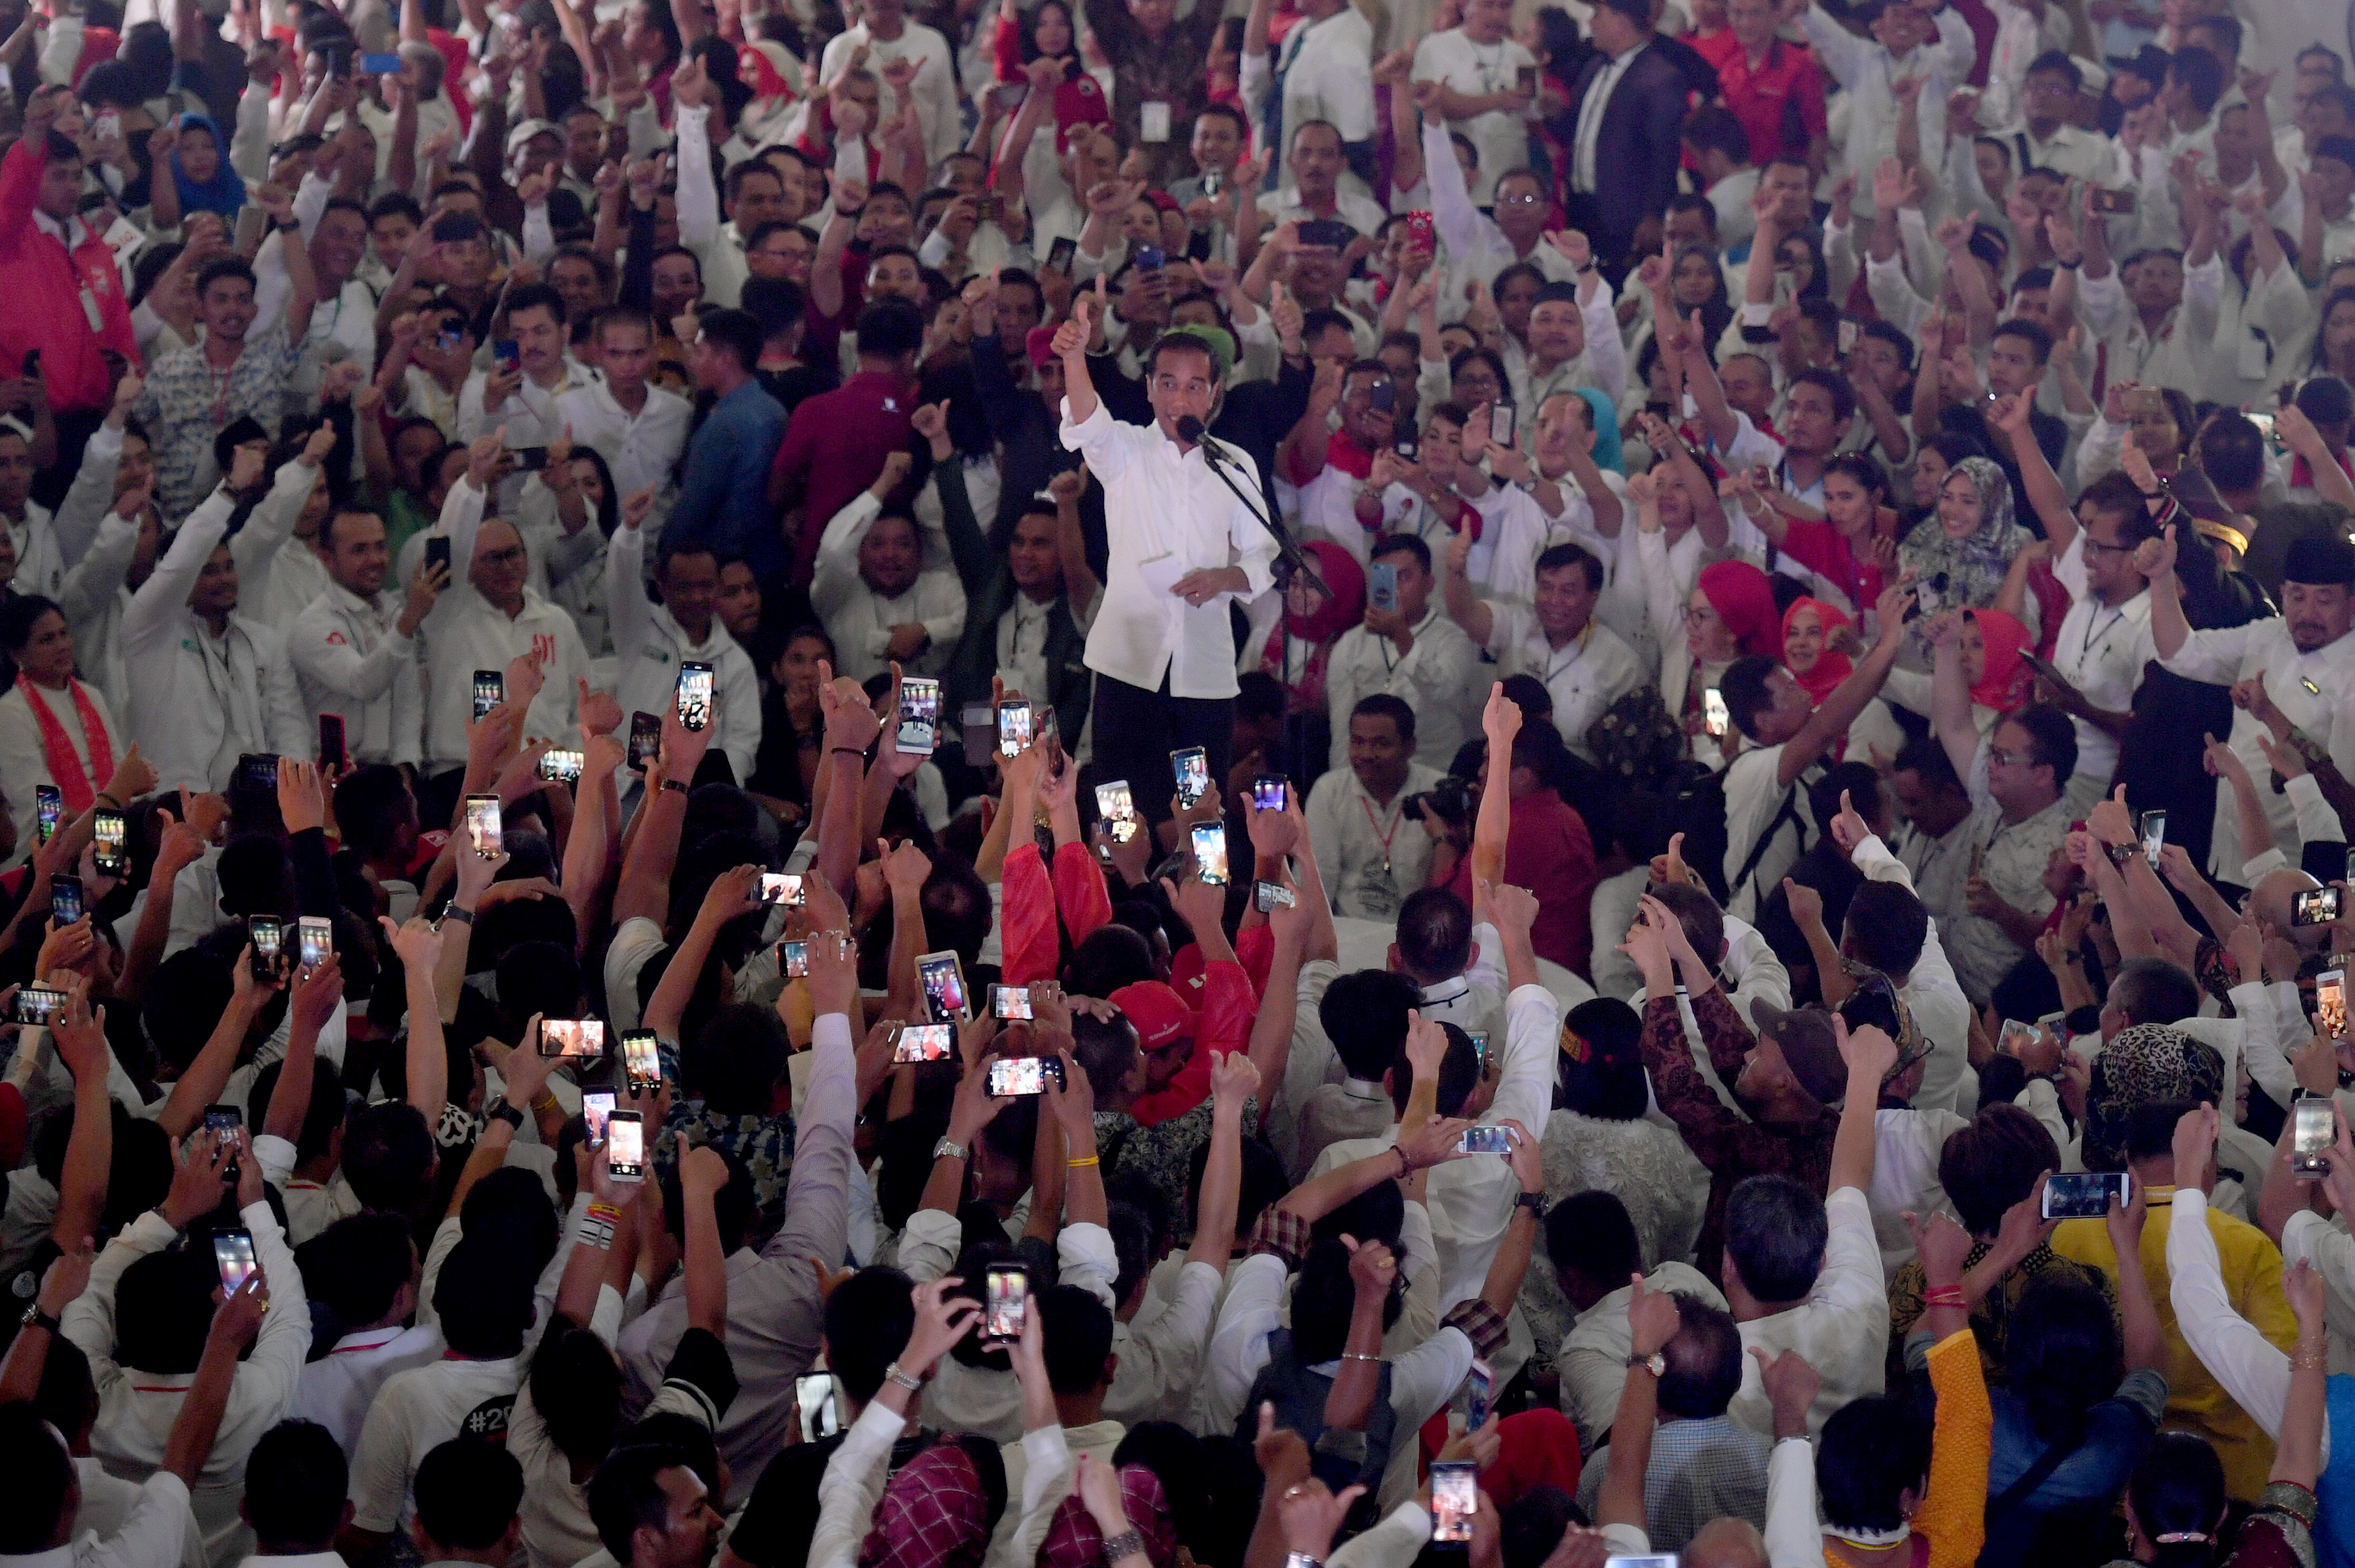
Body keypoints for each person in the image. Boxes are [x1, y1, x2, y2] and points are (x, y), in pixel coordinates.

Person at [1057, 301, 1276, 828]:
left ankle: (1200, 885)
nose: (1181, 399)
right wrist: (1074, 357)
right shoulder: (1127, 450)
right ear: (1150, 388)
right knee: (1118, 810)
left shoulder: (1233, 463)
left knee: (1200, 816)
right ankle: (1121, 884)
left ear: (1215, 392)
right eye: (1169, 384)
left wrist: (1224, 577)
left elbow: (1266, 553)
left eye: (1195, 386)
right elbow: (1087, 421)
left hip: (1203, 670)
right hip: (1127, 662)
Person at [118, 445, 309, 793]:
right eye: (208, 571)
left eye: (228, 567)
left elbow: (289, 727)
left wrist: (293, 793)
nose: (224, 580)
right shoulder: (148, 630)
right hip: (173, 809)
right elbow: (182, 561)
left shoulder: (261, 641)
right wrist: (229, 491)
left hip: (250, 810)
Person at [287, 509, 438, 772]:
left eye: (380, 547)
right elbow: (363, 684)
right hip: (335, 774)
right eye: (359, 550)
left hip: (390, 772)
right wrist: (408, 621)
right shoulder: (311, 625)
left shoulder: (394, 613)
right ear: (327, 558)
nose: (375, 560)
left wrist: (406, 767)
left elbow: (408, 703)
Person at [1561, 0, 1694, 269]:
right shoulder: (1594, 67)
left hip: (1625, 213)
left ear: (1620, 21)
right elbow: (1577, 132)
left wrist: (1654, 214)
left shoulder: (1660, 77)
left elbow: (1665, 155)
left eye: (1598, 14)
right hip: (1581, 205)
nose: (1590, 23)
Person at [665, 308, 789, 583]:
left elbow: (695, 505)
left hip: (725, 563)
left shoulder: (726, 424)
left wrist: (666, 553)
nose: (692, 361)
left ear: (726, 360)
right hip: (767, 554)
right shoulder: (773, 409)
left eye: (699, 353)